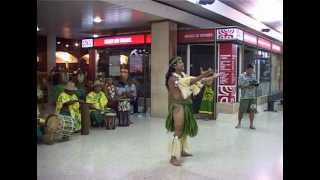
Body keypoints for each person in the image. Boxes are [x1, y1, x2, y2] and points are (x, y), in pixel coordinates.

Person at [165, 56, 219, 166]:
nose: (182, 63)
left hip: (187, 105)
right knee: (178, 130)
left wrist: (212, 76)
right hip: (178, 106)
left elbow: (198, 82)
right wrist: (205, 74)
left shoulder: (183, 75)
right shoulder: (172, 78)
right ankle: (173, 157)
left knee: (184, 130)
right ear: (174, 66)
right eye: (180, 62)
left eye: (182, 61)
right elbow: (191, 81)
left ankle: (182, 150)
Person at [236, 64, 258, 130]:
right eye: (250, 70)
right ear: (246, 69)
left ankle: (251, 124)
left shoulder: (253, 76)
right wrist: (247, 86)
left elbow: (256, 83)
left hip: (253, 97)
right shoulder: (241, 76)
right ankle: (239, 123)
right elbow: (239, 86)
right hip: (244, 97)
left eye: (252, 70)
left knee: (252, 110)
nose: (251, 71)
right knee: (241, 111)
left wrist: (255, 85)